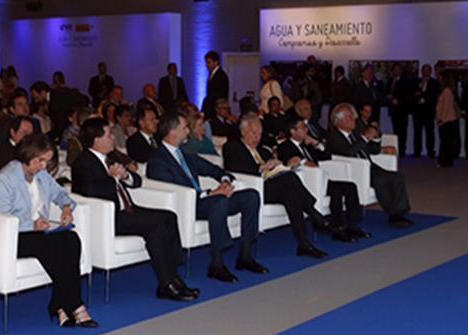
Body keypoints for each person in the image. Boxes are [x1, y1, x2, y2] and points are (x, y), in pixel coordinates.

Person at [70, 117, 197, 301]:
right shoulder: (82, 163)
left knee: (168, 216)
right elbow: (89, 192)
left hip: (129, 209)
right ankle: (168, 282)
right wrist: (113, 179)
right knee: (156, 225)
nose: (113, 138)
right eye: (109, 135)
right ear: (97, 140)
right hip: (110, 217)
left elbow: (137, 181)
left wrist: (125, 176)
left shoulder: (112, 157)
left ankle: (171, 276)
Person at [0, 134, 96, 327]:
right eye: (40, 160)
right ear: (28, 155)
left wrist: (65, 209)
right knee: (51, 246)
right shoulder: (5, 179)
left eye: (47, 161)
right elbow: (2, 219)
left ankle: (60, 305)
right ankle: (75, 305)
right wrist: (32, 225)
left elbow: (61, 194)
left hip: (39, 234)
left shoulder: (42, 175)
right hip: (14, 238)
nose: (44, 166)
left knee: (71, 239)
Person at [147, 112, 265, 283]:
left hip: (207, 200)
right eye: (184, 128)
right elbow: (173, 192)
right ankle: (216, 264)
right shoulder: (158, 159)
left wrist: (225, 181)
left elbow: (214, 169)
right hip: (187, 205)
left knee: (251, 196)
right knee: (219, 202)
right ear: (172, 131)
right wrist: (210, 193)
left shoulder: (185, 153)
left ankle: (245, 256)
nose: (188, 131)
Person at [223, 114, 338, 257]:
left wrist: (282, 165)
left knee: (292, 195)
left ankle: (304, 244)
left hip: (274, 186)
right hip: (254, 188)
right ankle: (315, 216)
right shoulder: (232, 147)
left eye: (260, 133)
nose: (258, 137)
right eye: (254, 133)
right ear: (243, 132)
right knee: (290, 179)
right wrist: (261, 167)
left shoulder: (263, 150)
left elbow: (276, 169)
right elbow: (233, 167)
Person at [278, 118, 369, 239]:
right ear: (293, 131)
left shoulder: (307, 145)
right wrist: (304, 162)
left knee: (350, 186)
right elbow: (289, 161)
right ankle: (337, 228)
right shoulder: (284, 146)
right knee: (336, 190)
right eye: (303, 127)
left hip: (321, 179)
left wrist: (316, 143)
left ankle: (352, 225)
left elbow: (326, 155)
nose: (306, 130)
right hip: (304, 183)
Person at [327, 103, 414, 228]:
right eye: (349, 117)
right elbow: (349, 152)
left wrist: (376, 137)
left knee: (397, 176)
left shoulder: (354, 134)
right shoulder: (333, 137)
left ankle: (400, 212)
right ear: (339, 120)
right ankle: (394, 214)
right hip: (355, 170)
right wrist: (364, 138)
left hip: (369, 167)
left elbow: (371, 148)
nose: (354, 119)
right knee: (381, 179)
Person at [411, 64, 440, 158]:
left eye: (427, 70)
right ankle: (417, 151)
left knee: (429, 131)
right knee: (417, 131)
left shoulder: (434, 83)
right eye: (424, 70)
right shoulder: (416, 81)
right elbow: (411, 94)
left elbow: (434, 96)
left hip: (428, 110)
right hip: (417, 110)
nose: (425, 72)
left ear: (430, 72)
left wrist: (422, 94)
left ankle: (431, 151)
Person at [435, 72, 461, 167]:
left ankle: (444, 161)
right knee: (447, 142)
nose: (438, 78)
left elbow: (445, 107)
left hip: (446, 120)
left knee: (445, 142)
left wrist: (441, 119)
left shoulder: (446, 91)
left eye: (440, 77)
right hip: (449, 119)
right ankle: (447, 161)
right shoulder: (449, 90)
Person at [388, 64, 414, 156]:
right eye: (394, 69)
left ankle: (402, 149)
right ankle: (397, 148)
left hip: (402, 110)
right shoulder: (391, 80)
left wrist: (399, 100)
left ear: (401, 70)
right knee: (396, 130)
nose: (396, 71)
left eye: (398, 69)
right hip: (394, 110)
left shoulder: (406, 81)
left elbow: (409, 95)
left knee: (402, 131)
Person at [202, 51, 229, 118]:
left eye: (209, 62)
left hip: (217, 109)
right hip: (212, 109)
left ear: (216, 62)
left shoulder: (221, 75)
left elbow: (220, 95)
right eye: (206, 62)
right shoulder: (212, 74)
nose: (207, 65)